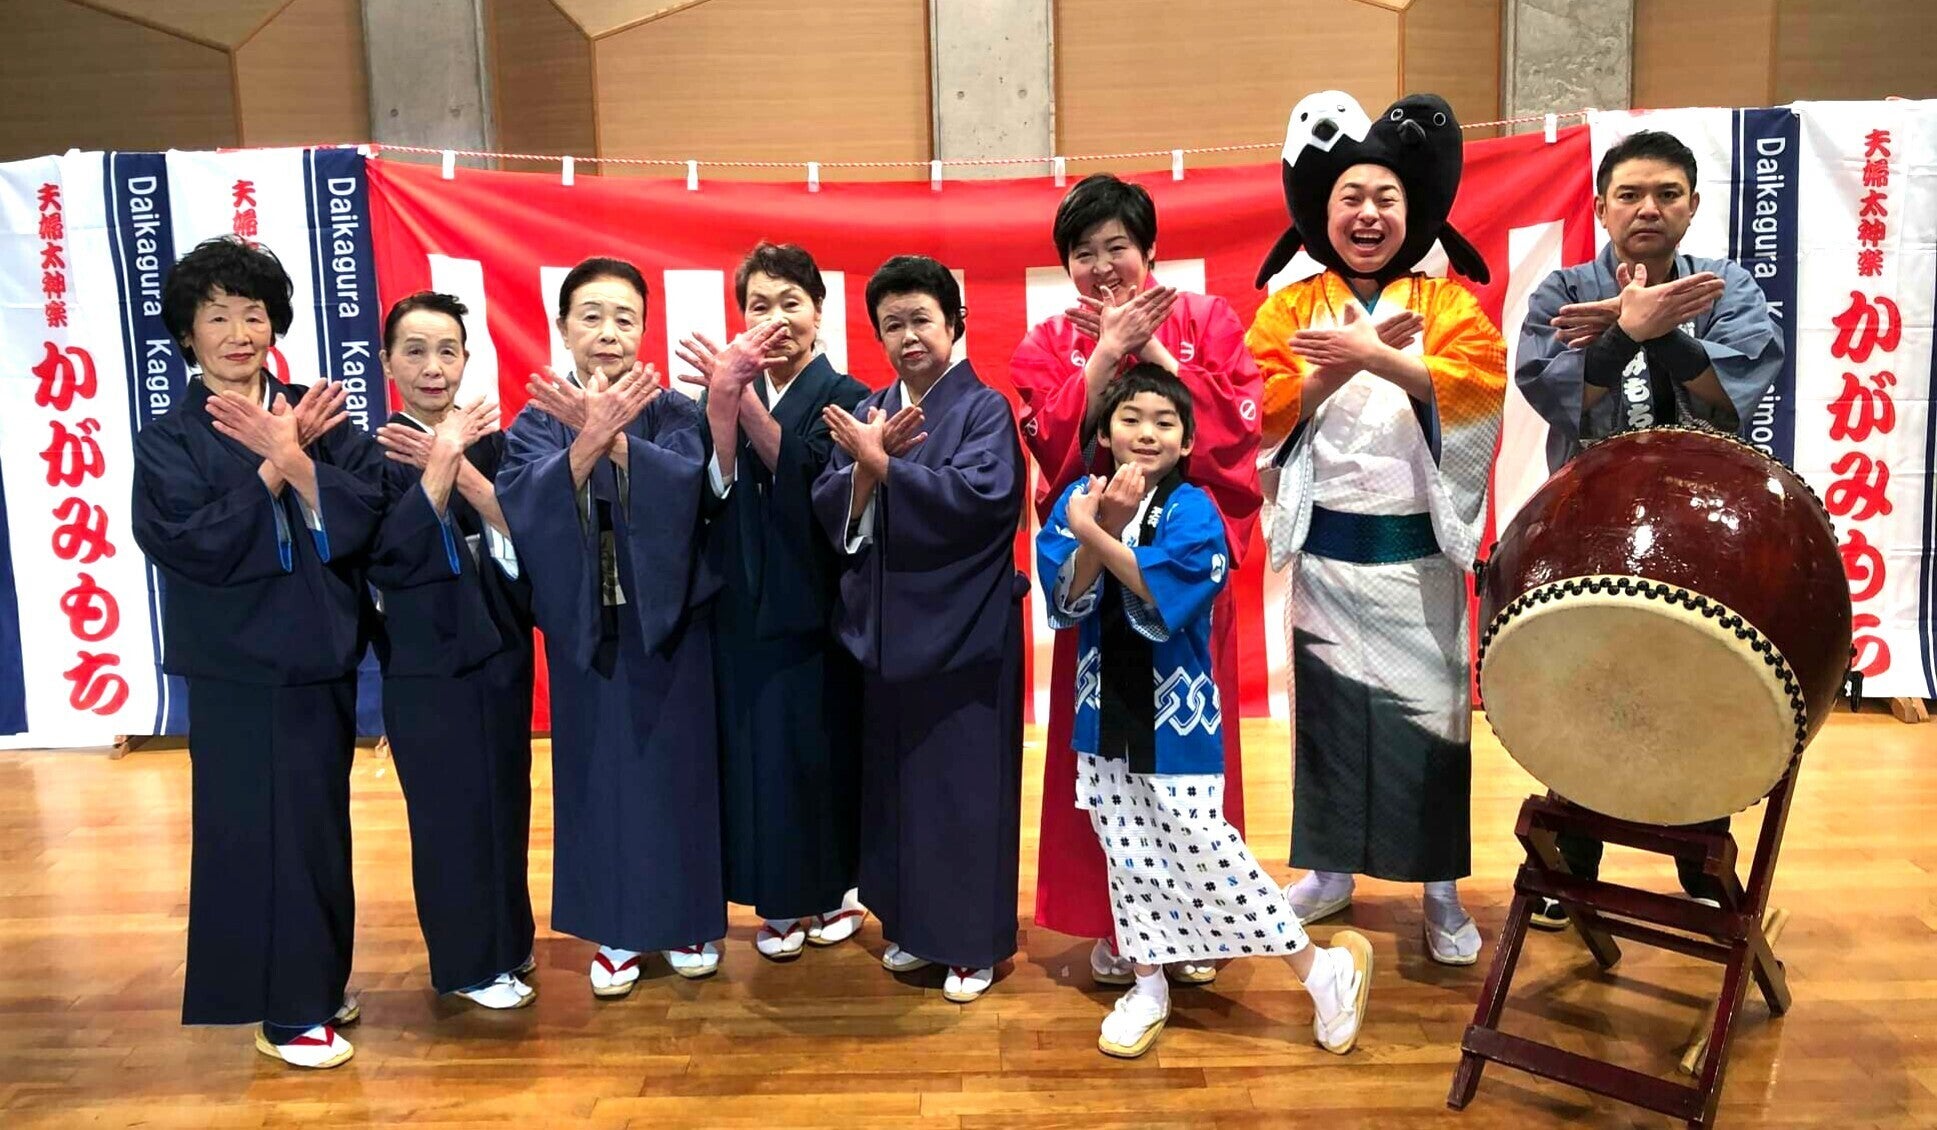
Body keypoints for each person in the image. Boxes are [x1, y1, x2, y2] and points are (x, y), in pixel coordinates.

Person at [1038, 364, 1373, 1058]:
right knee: (1126, 855)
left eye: (1165, 422)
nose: (1147, 433)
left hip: (1176, 717)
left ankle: (1321, 969)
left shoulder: (1194, 510)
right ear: (1104, 432)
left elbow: (1166, 594)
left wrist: (1097, 533)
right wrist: (1098, 525)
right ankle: (1147, 984)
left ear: (1187, 441)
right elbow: (1065, 598)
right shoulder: (1078, 495)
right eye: (1130, 419)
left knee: (1208, 849)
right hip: (1101, 714)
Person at [1246, 93, 1507, 967]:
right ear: (1321, 213)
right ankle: (1327, 869)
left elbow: (1480, 392)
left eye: (1385, 198)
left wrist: (1383, 361)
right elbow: (1256, 407)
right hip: (1326, 555)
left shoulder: (1450, 306)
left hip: (1415, 556)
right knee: (1328, 723)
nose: (1367, 215)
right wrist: (1334, 371)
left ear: (1412, 209)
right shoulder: (1288, 309)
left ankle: (1438, 886)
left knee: (1429, 726)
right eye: (1349, 197)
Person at [1514, 129, 1784, 929]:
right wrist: (1621, 333)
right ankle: (1575, 863)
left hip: (1702, 535)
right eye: (1628, 194)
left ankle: (1700, 850)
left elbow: (1730, 396)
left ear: (1691, 206)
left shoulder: (1725, 288)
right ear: (1601, 207)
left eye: (1666, 194)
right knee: (1583, 684)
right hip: (1588, 529)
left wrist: (1651, 328)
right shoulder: (1563, 290)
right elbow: (1561, 396)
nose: (1647, 209)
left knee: (1698, 683)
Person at [132, 236, 384, 1068]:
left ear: (274, 324)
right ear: (187, 334)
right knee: (256, 837)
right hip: (237, 670)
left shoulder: (317, 414)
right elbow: (187, 542)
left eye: (253, 314)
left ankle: (317, 981)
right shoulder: (170, 437)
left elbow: (368, 516)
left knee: (316, 832)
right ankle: (285, 1013)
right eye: (217, 317)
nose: (238, 333)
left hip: (319, 658)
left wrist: (300, 456)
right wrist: (276, 466)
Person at [1009, 173, 1263, 988]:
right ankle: (1119, 924)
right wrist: (1100, 358)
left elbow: (1236, 437)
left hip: (1183, 580)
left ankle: (1195, 923)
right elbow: (1050, 453)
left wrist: (1149, 354)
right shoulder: (1047, 342)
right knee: (1102, 767)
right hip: (1096, 583)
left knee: (1189, 765)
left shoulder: (1207, 321)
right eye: (1083, 253)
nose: (1101, 266)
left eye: (1116, 246)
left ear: (1148, 249)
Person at [497, 257, 760, 996]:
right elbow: (522, 507)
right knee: (601, 780)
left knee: (681, 775)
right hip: (589, 626)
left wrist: (610, 438)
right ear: (562, 328)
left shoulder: (670, 410)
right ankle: (616, 930)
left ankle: (687, 921)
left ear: (644, 329)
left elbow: (694, 490)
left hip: (670, 623)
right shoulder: (537, 417)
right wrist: (586, 439)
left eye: (624, 318)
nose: (608, 332)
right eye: (591, 316)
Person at [810, 255, 1026, 1004]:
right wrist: (866, 469)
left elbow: (984, 501)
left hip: (963, 633)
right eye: (892, 324)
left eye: (921, 320)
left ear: (954, 324)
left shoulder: (984, 410)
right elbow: (830, 501)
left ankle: (970, 944)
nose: (908, 337)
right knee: (899, 789)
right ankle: (908, 925)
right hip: (887, 634)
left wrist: (886, 468)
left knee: (964, 792)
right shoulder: (872, 408)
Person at [674, 243, 871, 961]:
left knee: (821, 747)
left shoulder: (849, 395)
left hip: (818, 601)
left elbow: (819, 479)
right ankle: (778, 897)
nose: (777, 319)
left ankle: (835, 889)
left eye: (792, 303)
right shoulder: (723, 391)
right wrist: (721, 405)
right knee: (757, 752)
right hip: (740, 597)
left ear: (819, 311)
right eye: (760, 306)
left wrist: (742, 400)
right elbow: (710, 484)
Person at [366, 292, 537, 1008]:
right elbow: (386, 559)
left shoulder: (496, 446)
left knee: (505, 800)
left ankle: (509, 942)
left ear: (467, 359)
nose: (433, 368)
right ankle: (468, 964)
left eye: (447, 351)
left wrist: (462, 463)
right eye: (415, 352)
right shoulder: (370, 455)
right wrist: (437, 465)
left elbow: (531, 540)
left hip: (501, 650)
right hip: (426, 663)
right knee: (448, 814)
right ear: (388, 363)